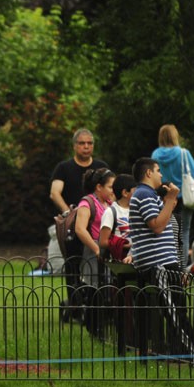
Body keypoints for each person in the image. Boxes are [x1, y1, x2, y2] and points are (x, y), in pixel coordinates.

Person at [128, 157, 194, 359]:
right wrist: (170, 200)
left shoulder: (149, 195)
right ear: (149, 173)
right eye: (158, 170)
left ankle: (184, 352)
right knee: (176, 314)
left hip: (165, 264)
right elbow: (157, 226)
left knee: (177, 311)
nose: (161, 174)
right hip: (158, 265)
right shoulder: (143, 194)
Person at [50, 128, 108, 318]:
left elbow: (110, 190)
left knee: (100, 266)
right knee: (73, 265)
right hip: (74, 226)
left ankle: (97, 305)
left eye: (89, 143)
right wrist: (68, 213)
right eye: (82, 143)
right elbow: (55, 192)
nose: (86, 146)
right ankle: (74, 306)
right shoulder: (64, 168)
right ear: (74, 146)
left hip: (99, 224)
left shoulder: (101, 167)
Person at [151, 124, 194, 266]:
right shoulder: (183, 153)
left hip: (165, 198)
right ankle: (182, 269)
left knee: (166, 232)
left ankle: (167, 265)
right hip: (184, 198)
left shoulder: (155, 155)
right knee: (184, 232)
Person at [73, 167, 115, 337]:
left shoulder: (110, 203)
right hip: (94, 250)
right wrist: (97, 248)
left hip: (108, 249)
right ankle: (94, 328)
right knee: (94, 289)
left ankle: (101, 326)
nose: (113, 190)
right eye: (111, 187)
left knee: (106, 288)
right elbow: (80, 229)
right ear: (99, 187)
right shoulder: (87, 203)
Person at [99, 174, 137, 263]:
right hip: (118, 261)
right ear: (125, 193)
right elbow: (103, 242)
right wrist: (124, 245)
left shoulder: (136, 210)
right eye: (135, 191)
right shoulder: (110, 212)